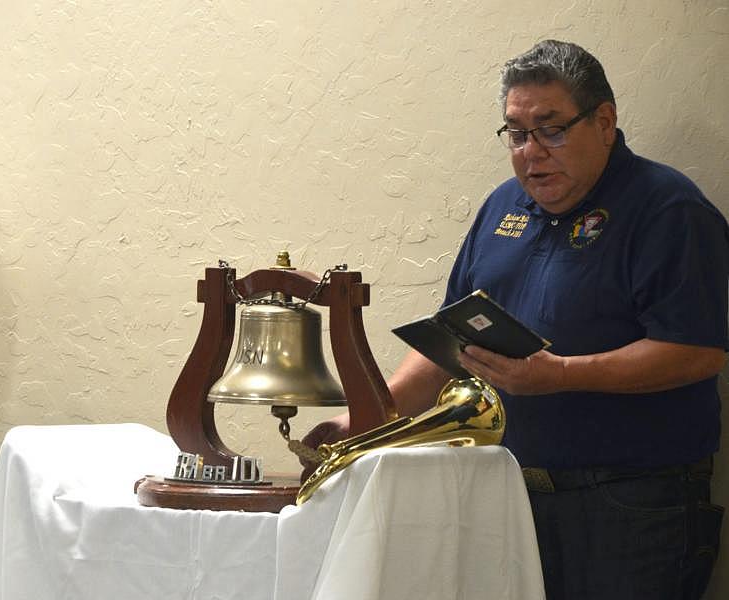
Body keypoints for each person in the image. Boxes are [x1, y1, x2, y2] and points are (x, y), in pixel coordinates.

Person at [303, 39, 728, 600]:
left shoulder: (667, 209)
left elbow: (698, 351)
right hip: (504, 498)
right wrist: (371, 424)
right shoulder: (504, 205)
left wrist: (561, 375)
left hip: (630, 506)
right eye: (517, 133)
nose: (532, 152)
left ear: (604, 121)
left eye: (551, 129)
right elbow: (450, 340)